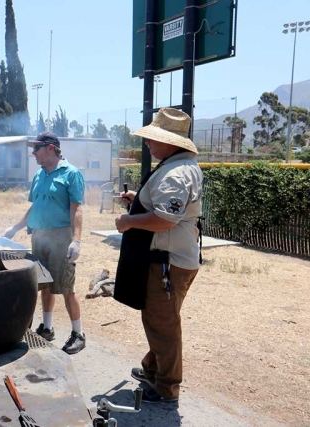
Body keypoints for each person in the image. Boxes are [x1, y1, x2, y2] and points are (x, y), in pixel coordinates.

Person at [114, 108, 203, 404]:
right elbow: (166, 208)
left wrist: (129, 221)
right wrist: (138, 202)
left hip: (167, 262)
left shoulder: (175, 173)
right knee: (158, 320)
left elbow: (166, 220)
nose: (148, 144)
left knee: (163, 324)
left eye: (154, 139)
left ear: (171, 142)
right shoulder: (181, 165)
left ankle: (166, 387)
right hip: (175, 258)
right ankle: (151, 369)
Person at [3, 131, 86, 355]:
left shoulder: (71, 173)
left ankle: (78, 334)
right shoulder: (40, 175)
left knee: (66, 287)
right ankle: (47, 328)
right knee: (43, 284)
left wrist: (76, 241)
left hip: (61, 237)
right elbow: (35, 207)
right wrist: (14, 228)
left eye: (36, 149)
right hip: (38, 236)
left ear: (51, 148)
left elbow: (77, 208)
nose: (33, 154)